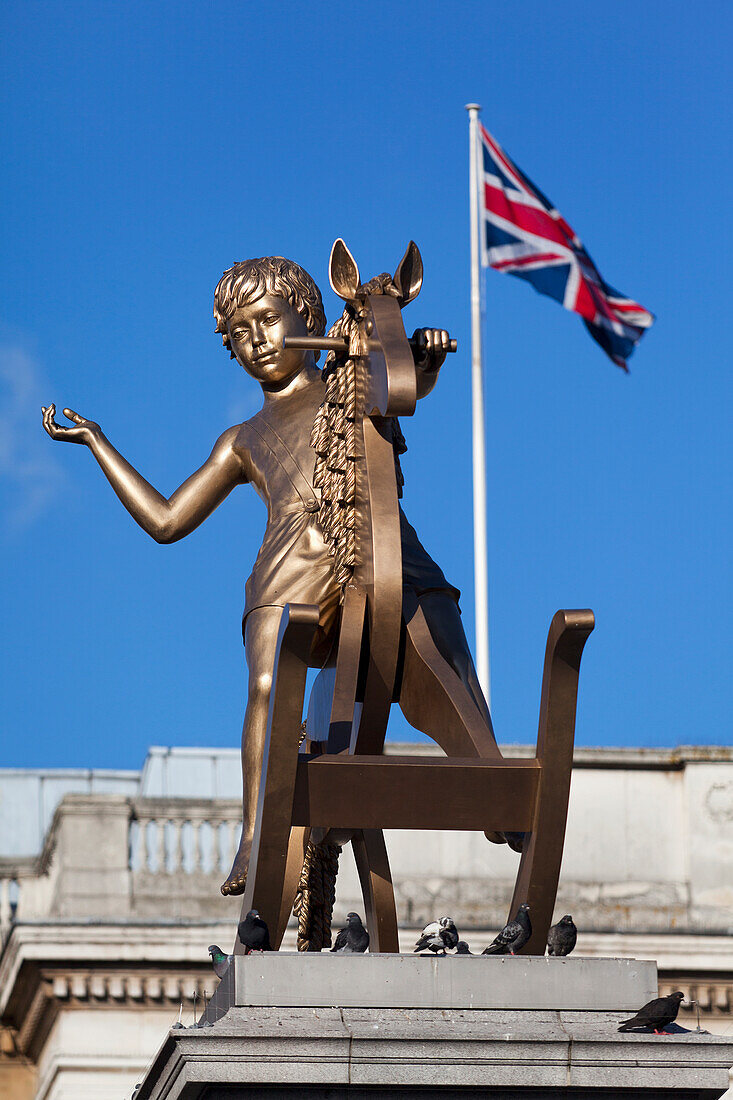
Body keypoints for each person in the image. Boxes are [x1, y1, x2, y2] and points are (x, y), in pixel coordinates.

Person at [42, 255, 499, 897]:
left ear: (306, 318)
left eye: (266, 320)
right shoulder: (244, 437)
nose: (255, 340)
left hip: (379, 547)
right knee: (265, 682)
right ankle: (256, 834)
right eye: (239, 334)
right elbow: (169, 520)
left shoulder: (348, 378)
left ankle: (489, 774)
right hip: (290, 569)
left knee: (440, 616)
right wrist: (99, 443)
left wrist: (424, 358)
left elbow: (400, 387)